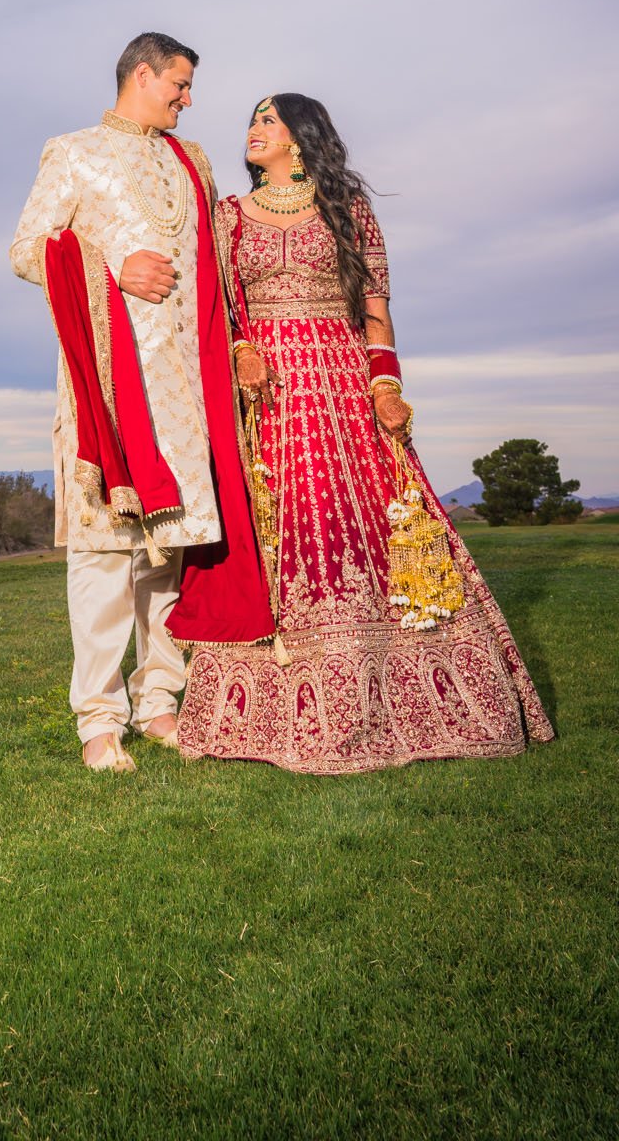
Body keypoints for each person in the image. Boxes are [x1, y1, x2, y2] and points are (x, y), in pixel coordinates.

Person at [168, 93, 555, 773]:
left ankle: (404, 691)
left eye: (267, 120)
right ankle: (267, 708)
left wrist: (386, 387)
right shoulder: (224, 217)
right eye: (252, 121)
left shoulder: (348, 211)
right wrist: (241, 353)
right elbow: (218, 310)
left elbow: (374, 309)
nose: (253, 131)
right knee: (288, 526)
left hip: (344, 386)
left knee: (372, 526)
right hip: (271, 400)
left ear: (300, 135)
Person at [10, 35, 272, 772]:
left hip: (189, 388)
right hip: (111, 384)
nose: (188, 99)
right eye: (180, 85)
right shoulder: (73, 151)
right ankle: (98, 719)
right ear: (142, 74)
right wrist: (113, 267)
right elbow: (28, 248)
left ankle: (159, 699)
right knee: (104, 555)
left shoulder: (193, 163)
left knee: (173, 555)